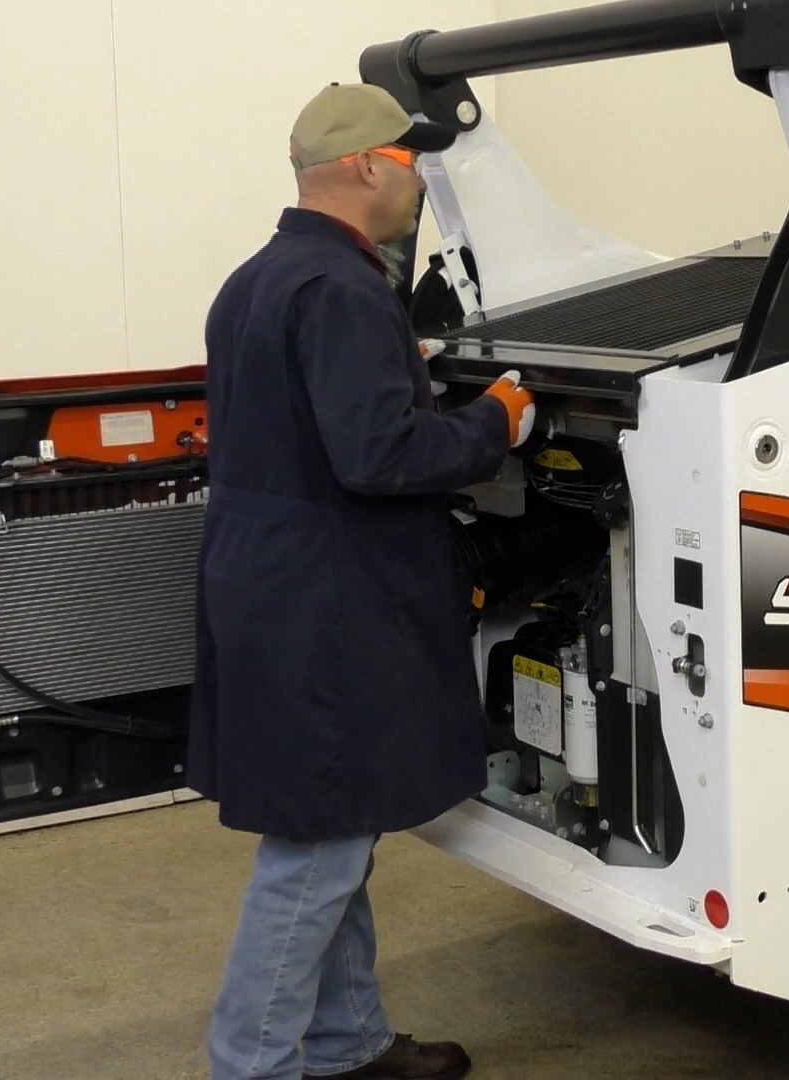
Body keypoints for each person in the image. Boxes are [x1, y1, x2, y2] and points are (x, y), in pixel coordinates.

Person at [188, 82, 534, 1080]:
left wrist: (401, 375)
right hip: (327, 607)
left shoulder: (259, 279)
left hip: (270, 589)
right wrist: (494, 421)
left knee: (333, 829)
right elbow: (377, 456)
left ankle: (348, 1045)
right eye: (407, 156)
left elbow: (314, 425)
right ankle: (250, 1069)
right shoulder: (341, 290)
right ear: (360, 167)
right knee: (317, 854)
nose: (419, 174)